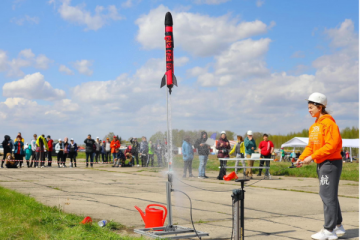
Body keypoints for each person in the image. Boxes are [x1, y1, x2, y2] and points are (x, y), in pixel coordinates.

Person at [296, 92, 345, 240]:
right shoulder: (314, 126)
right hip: (322, 163)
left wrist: (312, 157)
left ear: (320, 107)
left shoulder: (329, 123)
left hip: (330, 163)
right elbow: (311, 146)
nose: (309, 110)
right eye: (308, 107)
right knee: (329, 195)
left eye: (311, 107)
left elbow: (332, 145)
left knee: (327, 196)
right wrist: (302, 158)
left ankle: (329, 230)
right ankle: (337, 225)